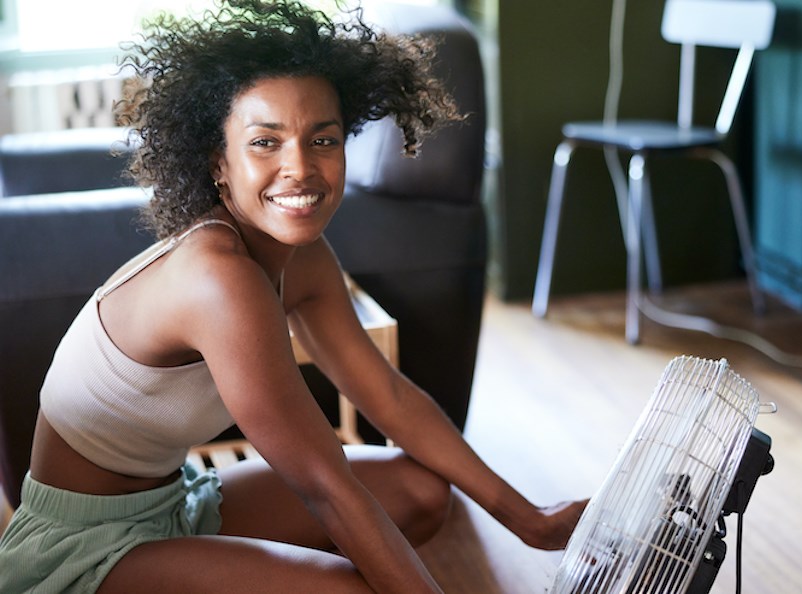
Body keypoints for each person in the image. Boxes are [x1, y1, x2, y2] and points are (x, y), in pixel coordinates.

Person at [0, 1, 586, 592]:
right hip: (82, 547)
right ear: (218, 164)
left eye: (322, 140)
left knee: (421, 492)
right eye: (264, 142)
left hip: (174, 505)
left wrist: (530, 521)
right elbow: (322, 484)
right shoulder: (217, 278)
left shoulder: (299, 257)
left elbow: (390, 397)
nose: (299, 168)